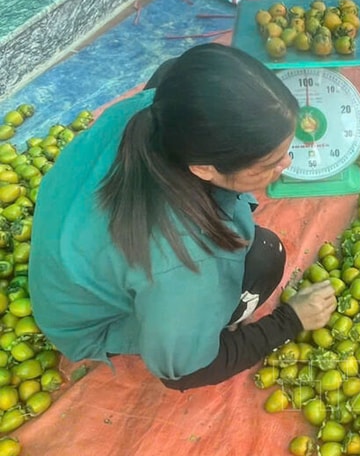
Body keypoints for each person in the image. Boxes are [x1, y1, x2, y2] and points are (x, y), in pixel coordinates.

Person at [30, 44, 336, 390]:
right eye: (269, 164)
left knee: (171, 68)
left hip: (65, 274)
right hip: (86, 321)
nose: (288, 165)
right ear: (203, 168)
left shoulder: (154, 110)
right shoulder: (184, 262)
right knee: (264, 255)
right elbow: (183, 373)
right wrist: (290, 320)